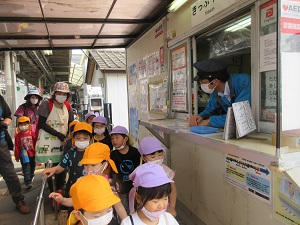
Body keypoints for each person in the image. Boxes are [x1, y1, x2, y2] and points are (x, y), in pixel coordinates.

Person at [49, 142, 128, 222]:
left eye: (93, 165)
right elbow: (76, 201)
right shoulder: (82, 183)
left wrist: (127, 222)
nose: (89, 169)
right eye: (86, 165)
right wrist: (63, 200)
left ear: (105, 165)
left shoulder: (110, 185)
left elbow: (119, 206)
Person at [189, 59, 251, 128]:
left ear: (215, 81)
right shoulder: (215, 91)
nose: (202, 85)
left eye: (204, 82)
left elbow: (240, 115)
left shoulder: (244, 82)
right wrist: (200, 117)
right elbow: (210, 109)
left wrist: (209, 122)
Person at [36, 82, 74, 192]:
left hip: (63, 142)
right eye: (59, 93)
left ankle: (59, 191)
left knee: (62, 167)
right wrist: (58, 134)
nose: (62, 96)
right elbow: (41, 123)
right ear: (54, 93)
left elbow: (70, 123)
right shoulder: (46, 104)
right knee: (50, 168)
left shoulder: (67, 106)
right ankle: (53, 192)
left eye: (64, 94)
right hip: (48, 143)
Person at [42, 122, 93, 199]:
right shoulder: (71, 152)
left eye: (85, 138)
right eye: (78, 138)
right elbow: (62, 166)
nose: (81, 141)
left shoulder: (95, 153)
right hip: (73, 189)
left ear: (90, 139)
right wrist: (54, 169)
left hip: (91, 189)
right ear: (73, 139)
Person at [0, 95, 30, 214]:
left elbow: (8, 116)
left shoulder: (0, 99)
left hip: (1, 144)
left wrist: (5, 123)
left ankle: (19, 200)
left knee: (11, 175)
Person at [139, 136, 177, 217]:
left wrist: (172, 207)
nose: (157, 159)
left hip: (163, 207)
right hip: (147, 209)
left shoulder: (166, 171)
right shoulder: (141, 172)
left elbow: (173, 189)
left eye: (160, 155)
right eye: (153, 157)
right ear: (144, 158)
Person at [110, 125, 140, 214]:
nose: (114, 140)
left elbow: (139, 168)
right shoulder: (113, 155)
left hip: (134, 188)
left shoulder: (135, 152)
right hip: (121, 189)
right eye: (112, 138)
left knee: (135, 209)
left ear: (125, 139)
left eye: (117, 137)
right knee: (123, 210)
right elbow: (113, 172)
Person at [14, 116, 36, 190]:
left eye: (25, 124)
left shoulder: (32, 133)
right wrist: (17, 156)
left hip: (32, 153)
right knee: (26, 168)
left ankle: (31, 176)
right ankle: (28, 182)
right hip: (23, 155)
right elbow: (16, 146)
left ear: (28, 124)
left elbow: (35, 142)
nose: (23, 126)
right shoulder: (18, 136)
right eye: (21, 124)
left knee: (32, 166)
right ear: (19, 126)